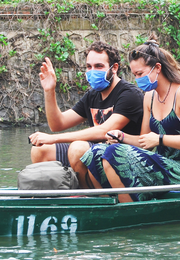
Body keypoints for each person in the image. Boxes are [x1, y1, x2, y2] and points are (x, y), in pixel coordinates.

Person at [80, 37, 180, 203]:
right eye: (134, 75)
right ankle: (112, 203)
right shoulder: (149, 96)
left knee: (113, 153)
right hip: (157, 163)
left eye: (140, 74)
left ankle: (130, 210)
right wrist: (122, 137)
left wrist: (160, 139)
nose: (137, 79)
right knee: (96, 152)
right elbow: (144, 141)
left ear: (157, 68)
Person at [29, 42, 143, 188]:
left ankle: (88, 197)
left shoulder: (129, 94)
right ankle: (58, 194)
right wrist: (49, 90)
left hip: (120, 157)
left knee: (78, 148)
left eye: (99, 66)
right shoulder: (92, 96)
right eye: (89, 67)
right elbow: (57, 124)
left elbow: (104, 131)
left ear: (114, 68)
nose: (92, 71)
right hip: (92, 154)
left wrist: (53, 138)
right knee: (40, 149)